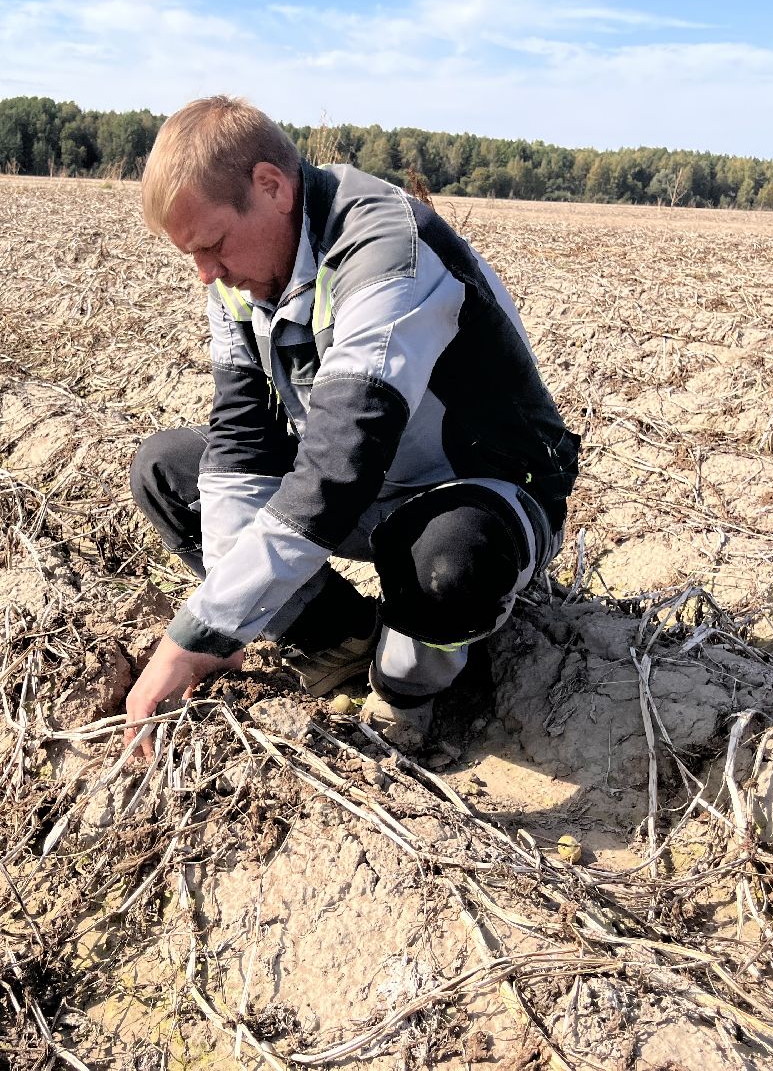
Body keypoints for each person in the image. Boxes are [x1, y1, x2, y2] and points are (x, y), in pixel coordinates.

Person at [124, 96, 579, 756]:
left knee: (452, 564)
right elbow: (242, 437)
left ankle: (407, 695)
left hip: (480, 490)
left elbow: (341, 464)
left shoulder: (387, 251)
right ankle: (343, 642)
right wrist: (230, 621)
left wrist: (193, 636)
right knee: (167, 471)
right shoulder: (234, 279)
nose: (207, 273)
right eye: (194, 256)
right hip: (367, 493)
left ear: (272, 188)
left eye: (214, 245)